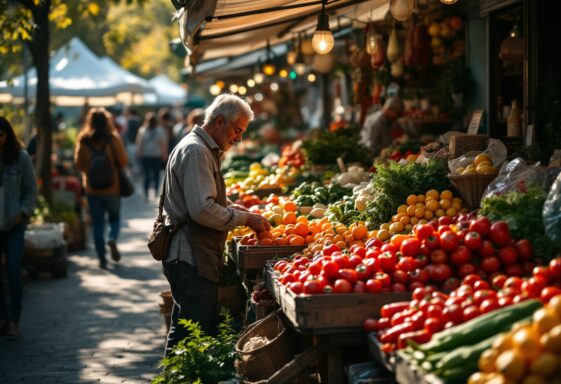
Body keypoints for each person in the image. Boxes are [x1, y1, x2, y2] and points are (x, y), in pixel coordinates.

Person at [162, 94, 271, 355]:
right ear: (219, 121)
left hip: (192, 254)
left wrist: (232, 207)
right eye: (237, 130)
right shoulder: (197, 151)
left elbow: (204, 198)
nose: (239, 138)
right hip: (189, 255)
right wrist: (245, 218)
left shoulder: (201, 147)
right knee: (191, 333)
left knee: (187, 326)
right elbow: (201, 210)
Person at [74, 108, 128, 269]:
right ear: (107, 122)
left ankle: (101, 258)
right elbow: (123, 161)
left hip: (92, 189)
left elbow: (78, 164)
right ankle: (112, 237)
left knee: (97, 223)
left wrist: (90, 172)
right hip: (113, 188)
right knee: (114, 218)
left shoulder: (83, 140)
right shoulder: (113, 139)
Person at [0, 117, 37, 340]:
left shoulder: (20, 157)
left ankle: (14, 318)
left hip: (13, 224)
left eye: (1, 135)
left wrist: (23, 213)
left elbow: (31, 189)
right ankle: (3, 316)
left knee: (13, 270)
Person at [136, 112, 168, 200]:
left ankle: (146, 193)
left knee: (146, 175)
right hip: (156, 156)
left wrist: (138, 153)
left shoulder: (142, 130)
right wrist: (165, 155)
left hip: (146, 155)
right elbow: (163, 144)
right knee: (156, 175)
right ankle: (155, 192)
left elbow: (139, 143)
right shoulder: (160, 130)